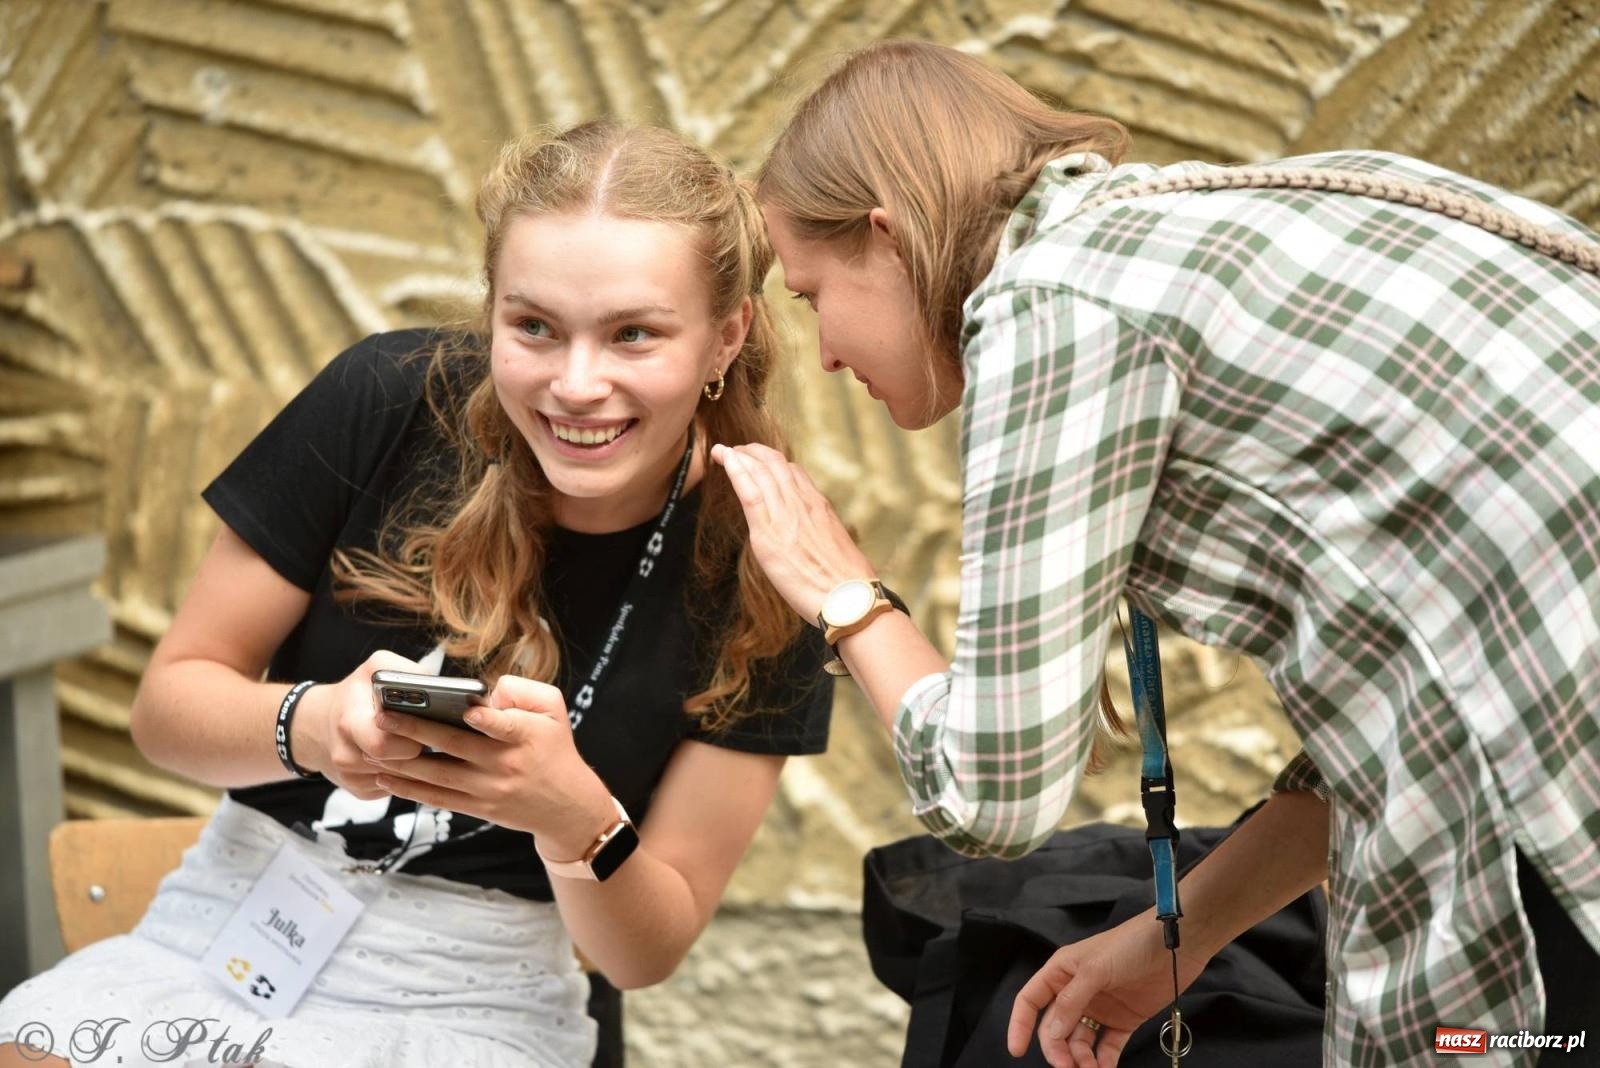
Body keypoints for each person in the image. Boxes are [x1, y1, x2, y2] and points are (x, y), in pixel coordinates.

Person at [710, 39, 1600, 1068]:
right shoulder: (1231, 218)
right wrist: (1179, 938)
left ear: (889, 236)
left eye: (813, 295)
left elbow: (994, 792)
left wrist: (848, 599)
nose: (821, 351)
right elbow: (1402, 713)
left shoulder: (1053, 303)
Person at [0, 120, 832, 1068]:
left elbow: (643, 954)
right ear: (492, 310)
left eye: (634, 334)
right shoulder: (384, 398)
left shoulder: (773, 560)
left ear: (728, 334)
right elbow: (167, 711)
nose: (576, 384)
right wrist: (314, 726)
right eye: (534, 327)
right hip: (227, 929)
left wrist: (573, 818)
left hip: (485, 991)